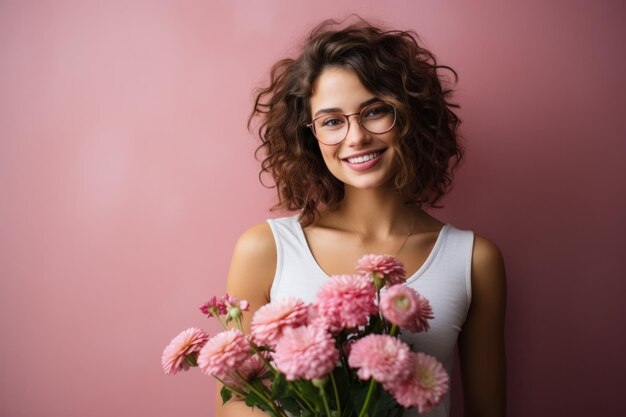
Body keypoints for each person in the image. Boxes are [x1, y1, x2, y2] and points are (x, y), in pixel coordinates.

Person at [216, 17, 506, 417]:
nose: (356, 138)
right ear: (310, 136)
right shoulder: (265, 249)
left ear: (410, 115)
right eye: (332, 121)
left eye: (374, 112)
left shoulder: (474, 260)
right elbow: (233, 401)